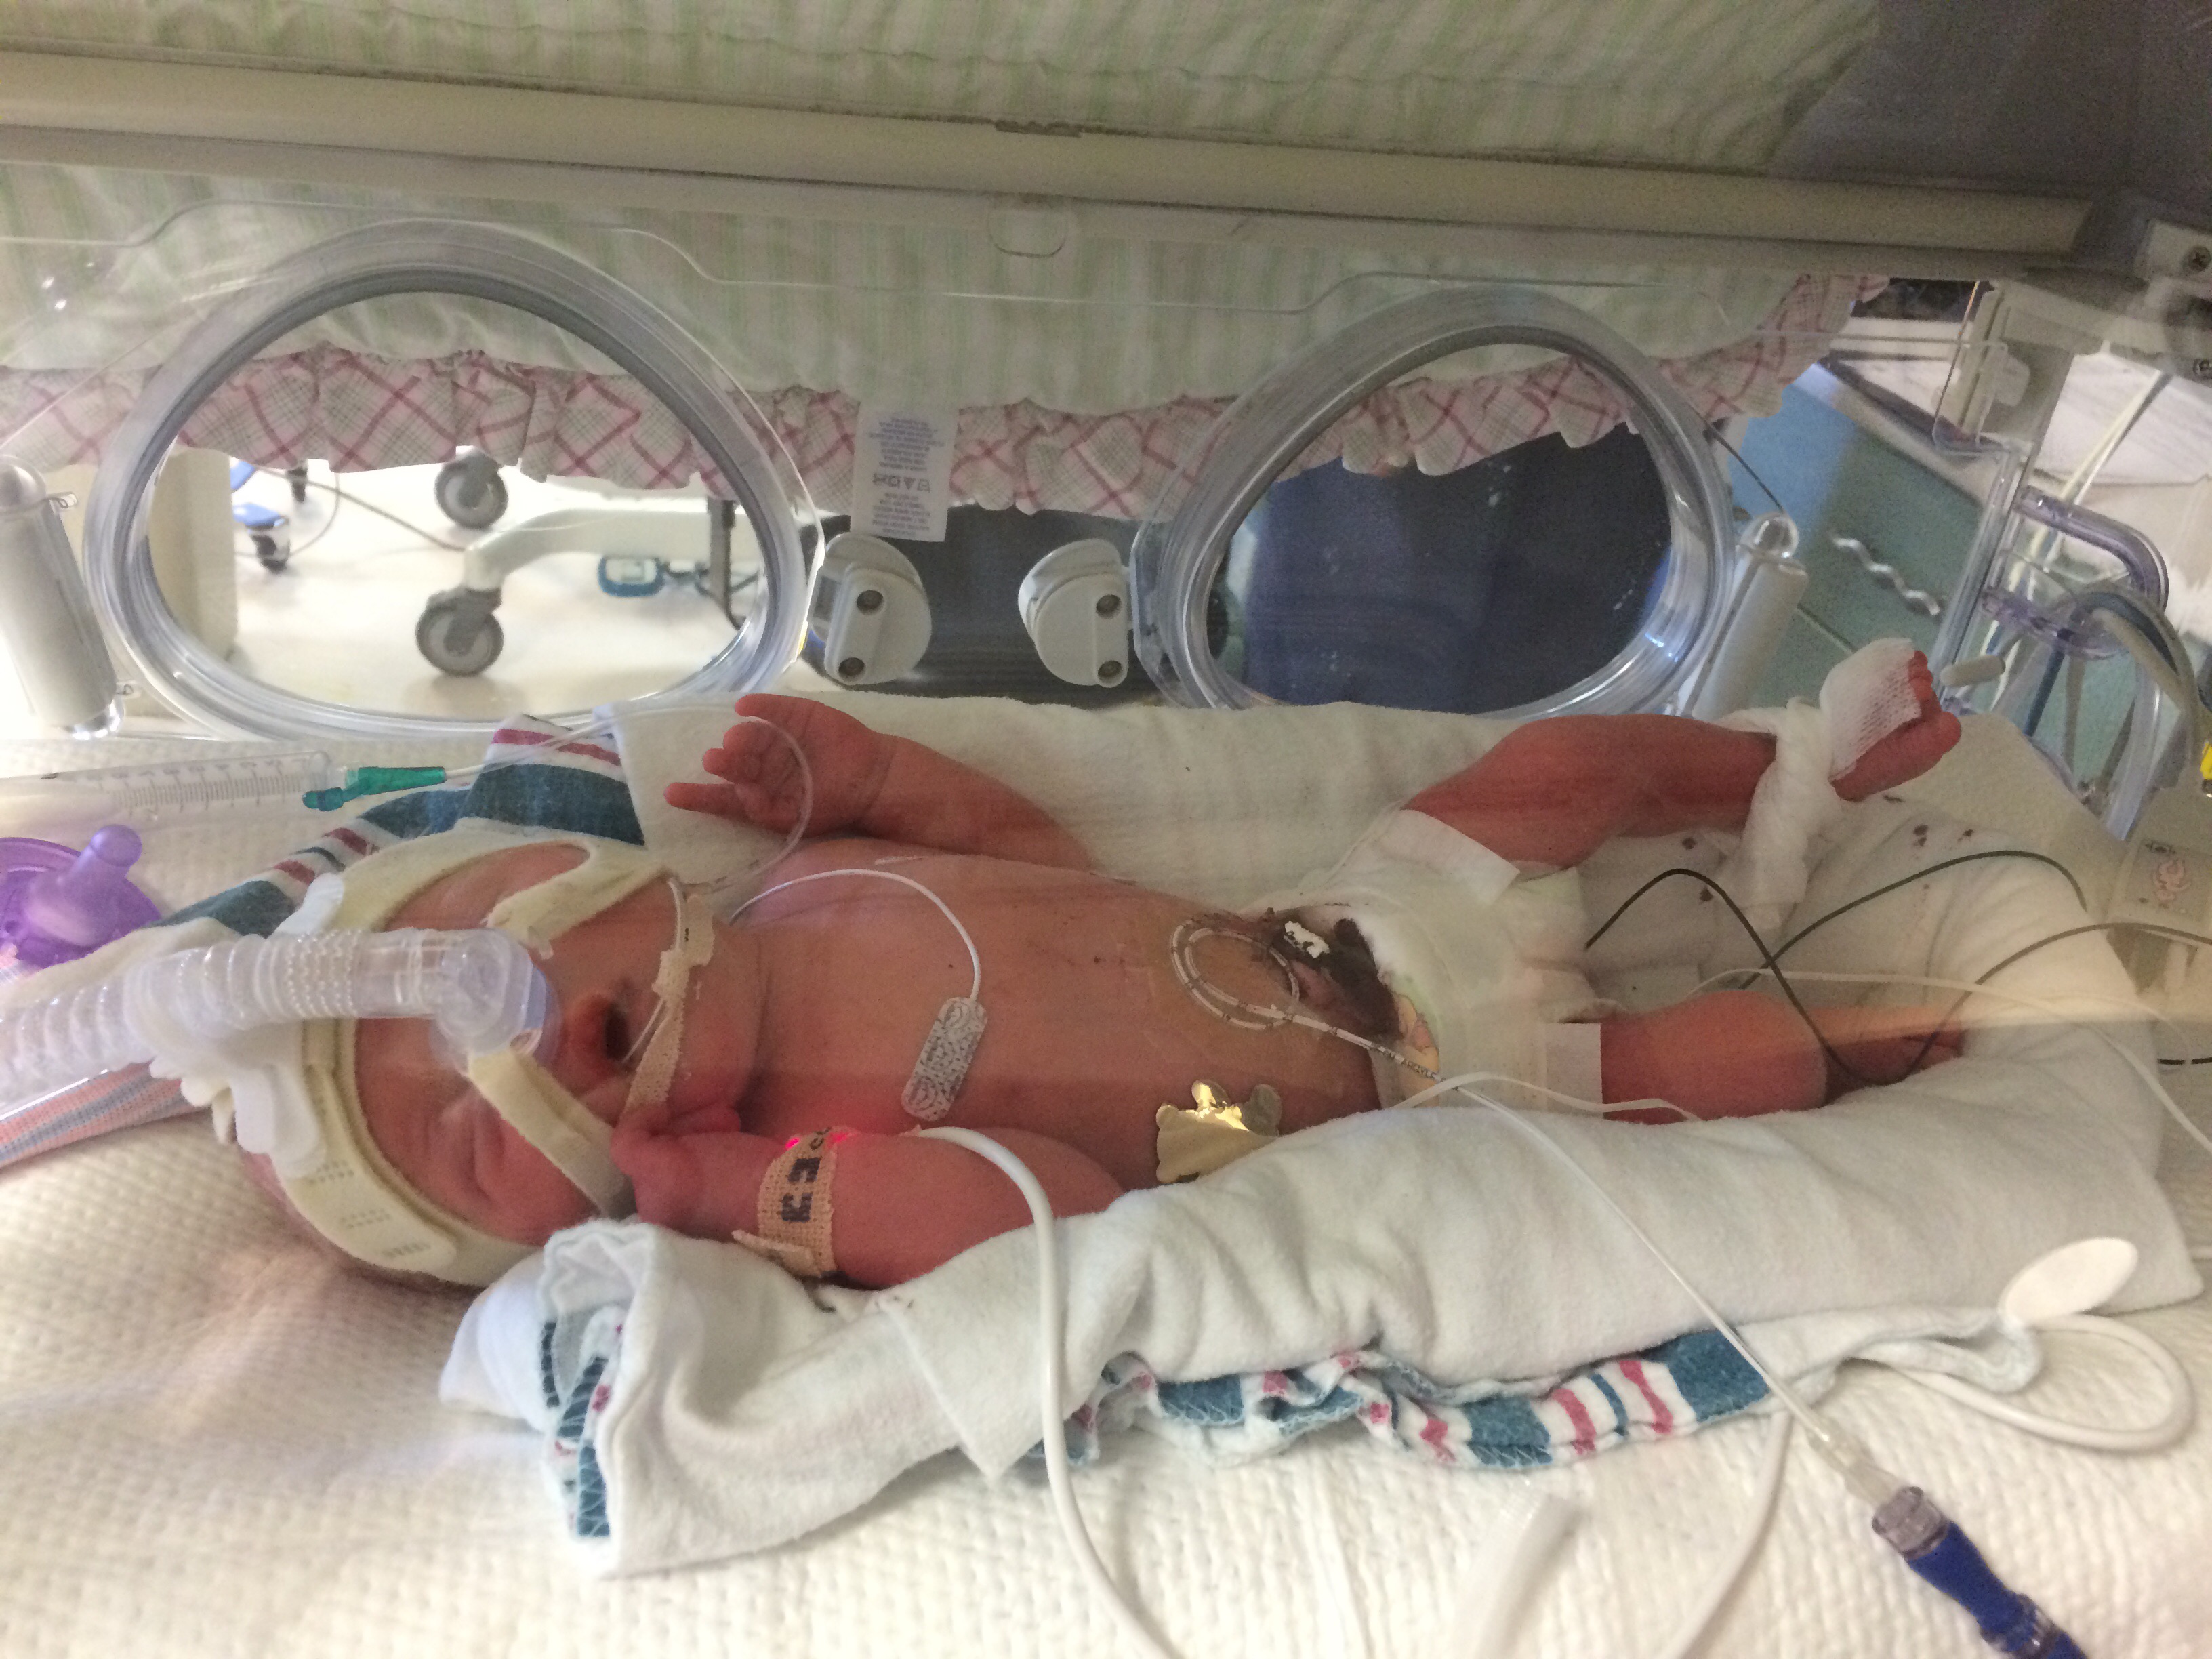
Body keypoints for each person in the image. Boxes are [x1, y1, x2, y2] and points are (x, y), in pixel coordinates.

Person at [344, 653, 1965, 1290]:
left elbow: (1040, 861)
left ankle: (1788, 772)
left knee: (1558, 772)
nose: (505, 1039)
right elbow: (1047, 1207)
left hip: (1355, 919)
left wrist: (878, 777)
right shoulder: (790, 1172)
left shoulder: (817, 881)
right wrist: (732, 1192)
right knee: (1719, 1065)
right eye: (463, 1137)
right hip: (1434, 1094)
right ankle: (1887, 1039)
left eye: (476, 959)